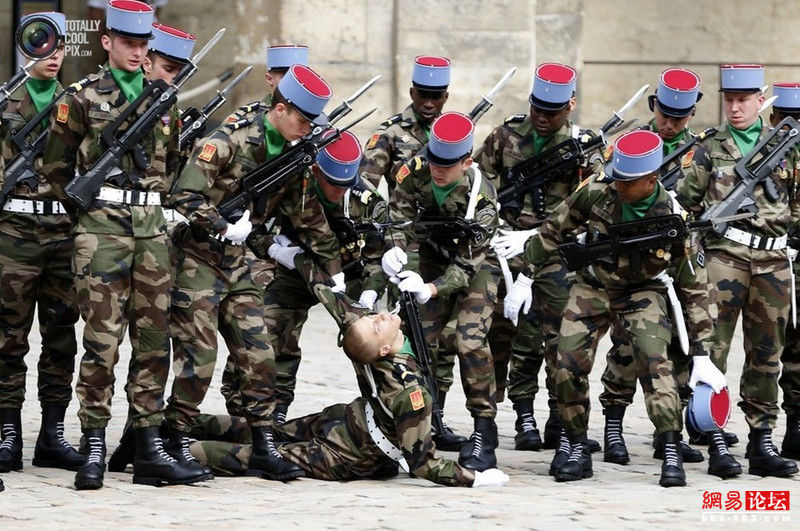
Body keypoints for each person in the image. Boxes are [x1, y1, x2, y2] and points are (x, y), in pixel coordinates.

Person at [40, 0, 206, 490]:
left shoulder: (165, 100)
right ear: (107, 41)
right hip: (102, 232)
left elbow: (170, 168)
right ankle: (93, 443)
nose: (136, 52)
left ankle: (148, 446)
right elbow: (56, 169)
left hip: (152, 232)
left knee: (153, 341)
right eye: (128, 43)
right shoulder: (81, 97)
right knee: (102, 340)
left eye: (142, 45)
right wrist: (92, 217)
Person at [505, 130, 725, 487]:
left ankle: (670, 446)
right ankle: (576, 445)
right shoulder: (597, 191)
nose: (618, 185)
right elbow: (553, 229)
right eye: (617, 177)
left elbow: (695, 286)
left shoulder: (673, 218)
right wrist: (525, 276)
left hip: (642, 291)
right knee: (566, 363)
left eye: (628, 181)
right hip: (592, 285)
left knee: (655, 362)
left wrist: (702, 351)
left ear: (651, 180)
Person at [163, 63, 343, 481]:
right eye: (302, 120)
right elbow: (183, 194)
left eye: (310, 123)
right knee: (200, 357)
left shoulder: (292, 153)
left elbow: (308, 217)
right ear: (280, 109)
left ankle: (263, 443)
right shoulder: (228, 140)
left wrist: (335, 272)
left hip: (237, 264)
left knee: (260, 354)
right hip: (198, 260)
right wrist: (222, 226)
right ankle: (173, 438)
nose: (306, 128)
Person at [189, 311, 510, 488]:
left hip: (343, 419)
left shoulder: (372, 352)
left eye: (375, 318)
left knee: (265, 433)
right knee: (258, 454)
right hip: (347, 453)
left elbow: (357, 328)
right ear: (384, 349)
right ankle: (185, 449)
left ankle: (183, 425)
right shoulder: (410, 393)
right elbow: (423, 465)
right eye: (375, 324)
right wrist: (474, 479)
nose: (380, 315)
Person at [677, 64, 799, 478]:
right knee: (711, 350)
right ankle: (713, 439)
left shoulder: (785, 144)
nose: (735, 108)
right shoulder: (710, 147)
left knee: (767, 354)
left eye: (743, 100)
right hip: (724, 258)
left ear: (761, 101)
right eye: (729, 100)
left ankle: (761, 440)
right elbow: (687, 206)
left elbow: (796, 204)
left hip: (774, 262)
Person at [477, 62, 599, 452]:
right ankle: (513, 416)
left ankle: (560, 419)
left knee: (559, 338)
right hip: (507, 246)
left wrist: (538, 235)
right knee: (503, 333)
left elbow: (597, 202)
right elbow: (478, 187)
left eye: (553, 111)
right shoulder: (505, 136)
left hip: (556, 251)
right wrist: (496, 227)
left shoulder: (584, 146)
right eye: (537, 108)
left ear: (570, 105)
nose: (543, 118)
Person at [226, 130, 387, 422]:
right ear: (315, 171)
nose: (340, 192)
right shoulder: (287, 182)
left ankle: (386, 413)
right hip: (293, 268)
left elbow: (377, 257)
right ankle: (266, 411)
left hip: (346, 276)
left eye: (346, 185)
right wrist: (274, 249)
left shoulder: (366, 202)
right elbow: (251, 225)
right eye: (333, 185)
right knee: (267, 329)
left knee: (374, 341)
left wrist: (370, 292)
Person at [598, 68, 710, 468]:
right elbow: (606, 189)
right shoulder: (629, 144)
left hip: (677, 256)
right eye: (664, 113)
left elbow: (707, 204)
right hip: (633, 261)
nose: (670, 123)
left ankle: (670, 433)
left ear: (692, 114)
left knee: (679, 345)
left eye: (679, 117)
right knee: (628, 345)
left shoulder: (702, 152)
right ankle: (614, 426)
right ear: (654, 106)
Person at [380, 111, 501, 471]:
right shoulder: (416, 171)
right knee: (415, 340)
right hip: (431, 257)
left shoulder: (482, 201)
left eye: (447, 165)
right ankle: (417, 423)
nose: (437, 170)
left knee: (470, 341)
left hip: (475, 268)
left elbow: (466, 267)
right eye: (434, 160)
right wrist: (395, 249)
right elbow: (397, 217)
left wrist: (431, 289)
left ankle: (484, 431)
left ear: (467, 162)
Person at [0, 11, 85, 474]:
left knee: (60, 337)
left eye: (61, 46)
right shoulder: (5, 101)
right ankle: (8, 435)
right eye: (42, 44)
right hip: (13, 233)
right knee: (7, 338)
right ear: (24, 46)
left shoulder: (79, 103)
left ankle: (52, 435)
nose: (53, 55)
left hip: (63, 233)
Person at [360, 55, 450, 193]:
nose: (428, 104)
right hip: (404, 206)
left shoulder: (452, 133)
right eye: (422, 95)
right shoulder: (390, 133)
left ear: (445, 97)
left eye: (436, 97)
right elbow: (364, 185)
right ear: (412, 93)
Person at [770, 82, 800, 460]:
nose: (793, 126)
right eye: (787, 118)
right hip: (769, 257)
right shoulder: (760, 155)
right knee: (764, 348)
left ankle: (795, 426)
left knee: (798, 347)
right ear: (773, 117)